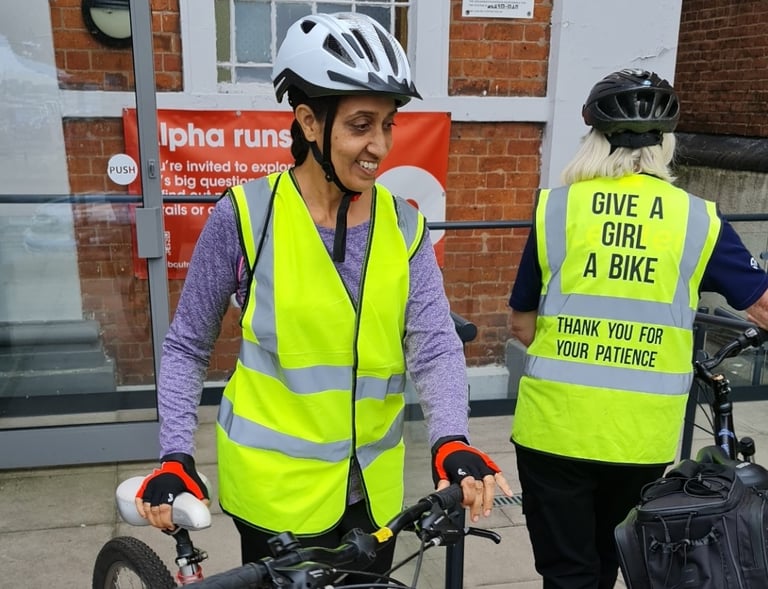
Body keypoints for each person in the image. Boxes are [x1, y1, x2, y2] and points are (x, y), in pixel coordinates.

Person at [134, 11, 513, 581]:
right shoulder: (244, 218)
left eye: (388, 125)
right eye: (362, 124)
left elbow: (433, 345)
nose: (379, 146)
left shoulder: (404, 226)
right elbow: (188, 345)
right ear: (310, 122)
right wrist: (173, 455)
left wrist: (451, 439)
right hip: (275, 497)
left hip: (373, 498)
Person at [508, 68, 768, 589]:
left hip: (552, 429)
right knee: (620, 563)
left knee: (567, 573)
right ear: (665, 144)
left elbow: (521, 323)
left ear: (592, 140)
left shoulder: (555, 209)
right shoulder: (697, 218)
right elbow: (763, 306)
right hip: (641, 438)